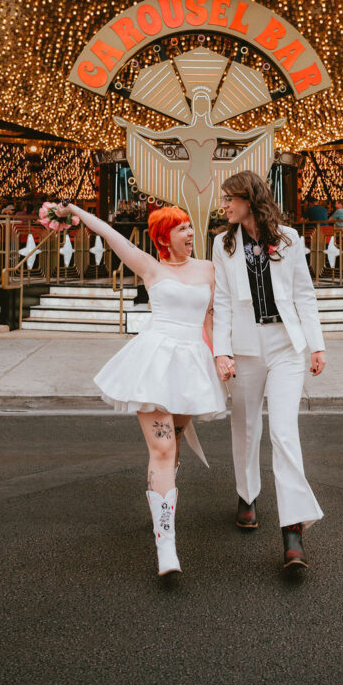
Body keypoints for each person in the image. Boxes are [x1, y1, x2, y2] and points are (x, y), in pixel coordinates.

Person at [54, 199, 226, 577]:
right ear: (164, 237)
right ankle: (166, 544)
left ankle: (162, 502)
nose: (190, 233)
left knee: (173, 447)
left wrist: (221, 358)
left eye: (190, 228)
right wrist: (74, 213)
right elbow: (110, 235)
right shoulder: (151, 267)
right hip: (155, 360)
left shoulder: (210, 269)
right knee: (163, 448)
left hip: (192, 364)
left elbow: (212, 320)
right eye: (181, 228)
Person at [212, 170, 325, 571]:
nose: (223, 205)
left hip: (285, 347)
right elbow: (222, 302)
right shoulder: (221, 245)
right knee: (245, 428)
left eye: (230, 198)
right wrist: (220, 351)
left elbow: (304, 294)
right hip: (243, 349)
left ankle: (292, 530)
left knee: (282, 432)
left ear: (250, 199)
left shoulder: (289, 238)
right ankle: (247, 496)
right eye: (224, 199)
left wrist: (317, 344)